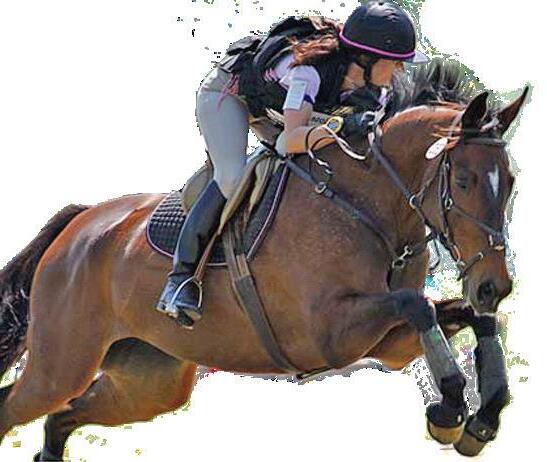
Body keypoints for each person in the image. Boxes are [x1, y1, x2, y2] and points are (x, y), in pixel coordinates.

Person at [155, 1, 428, 328]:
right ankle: (181, 279)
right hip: (230, 95)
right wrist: (341, 126)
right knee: (231, 176)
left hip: (286, 115)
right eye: (395, 62)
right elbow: (289, 140)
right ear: (366, 59)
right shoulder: (308, 72)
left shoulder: (378, 92)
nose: (400, 71)